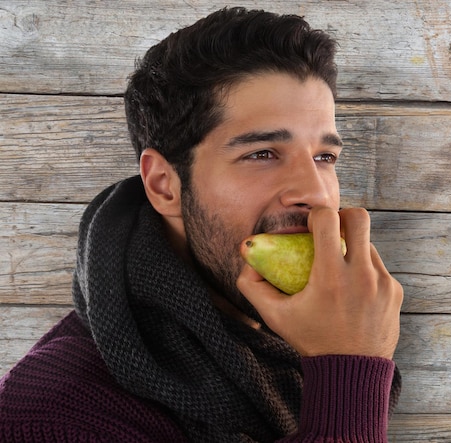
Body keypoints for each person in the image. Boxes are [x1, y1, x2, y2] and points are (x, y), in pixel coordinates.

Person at [0, 6, 403, 442]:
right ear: (164, 185)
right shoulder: (55, 414)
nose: (317, 193)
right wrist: (348, 366)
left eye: (324, 157)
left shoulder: (292, 351)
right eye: (262, 153)